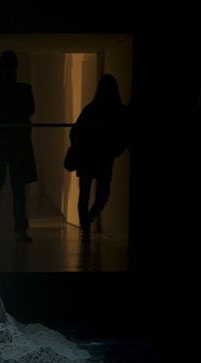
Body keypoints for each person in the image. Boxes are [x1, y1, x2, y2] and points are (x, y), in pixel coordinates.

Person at [0, 50, 38, 243]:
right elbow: (29, 110)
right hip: (17, 143)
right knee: (17, 189)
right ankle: (19, 229)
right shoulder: (23, 90)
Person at [69, 74, 131, 242]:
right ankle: (87, 224)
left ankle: (86, 227)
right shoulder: (118, 112)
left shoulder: (91, 109)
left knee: (86, 195)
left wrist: (79, 146)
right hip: (104, 157)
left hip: (89, 156)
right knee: (101, 196)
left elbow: (75, 131)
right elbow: (125, 134)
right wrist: (116, 150)